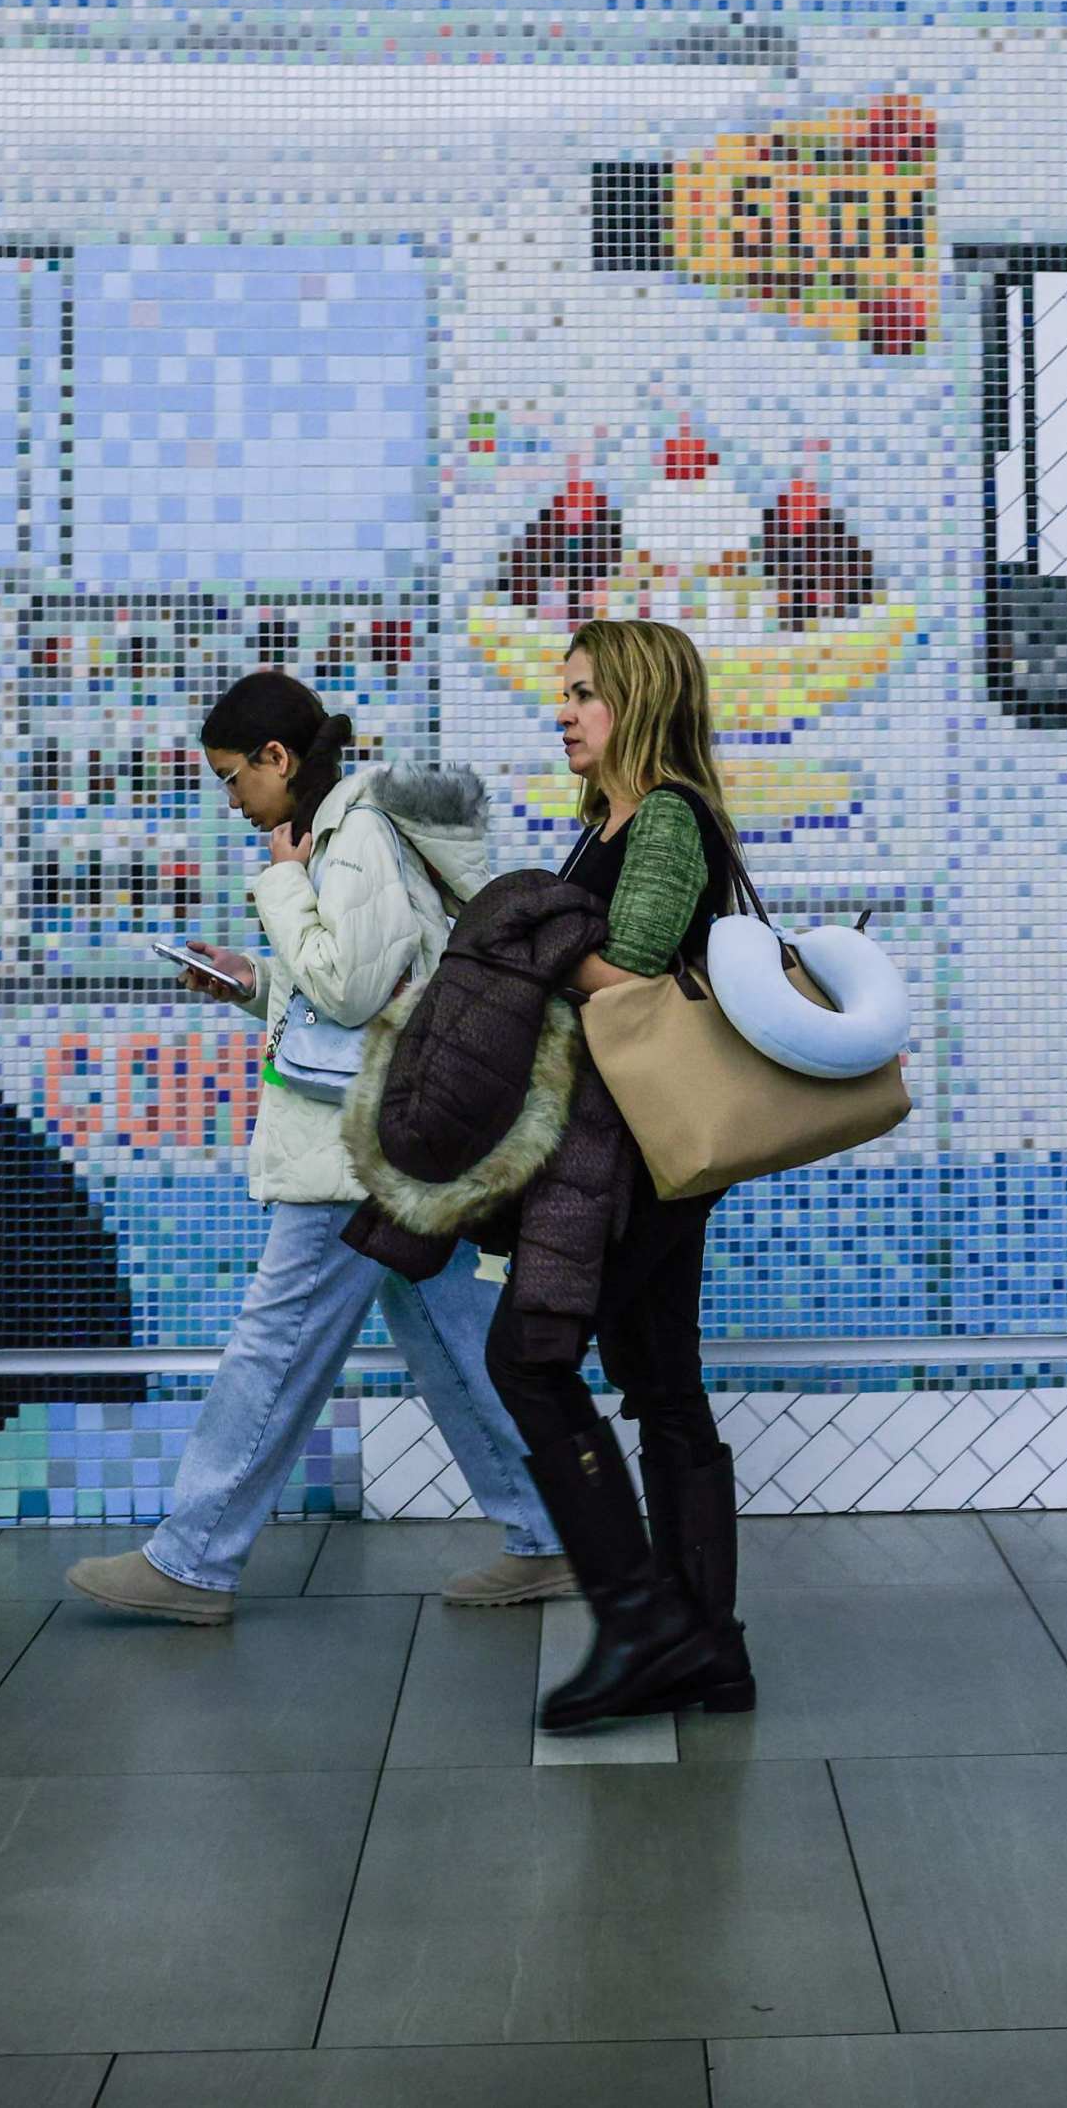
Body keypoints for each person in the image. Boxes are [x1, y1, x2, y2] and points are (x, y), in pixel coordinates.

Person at [66, 672, 570, 1624]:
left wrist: (280, 880)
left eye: (232, 776)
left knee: (274, 1342)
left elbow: (345, 987)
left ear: (277, 758)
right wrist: (254, 980)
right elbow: (348, 991)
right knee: (455, 1345)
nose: (231, 799)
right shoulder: (340, 831)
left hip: (357, 1146)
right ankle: (559, 1532)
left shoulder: (354, 835)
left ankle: (192, 1555)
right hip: (390, 1135)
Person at [489, 617, 757, 1729]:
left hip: (640, 1153)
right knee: (661, 1382)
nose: (566, 710)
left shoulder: (667, 820)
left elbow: (632, 975)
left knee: (527, 1353)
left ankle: (644, 1620)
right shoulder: (608, 820)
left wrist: (528, 940)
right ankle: (708, 1649)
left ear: (639, 701)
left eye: (586, 692)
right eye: (564, 693)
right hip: (636, 1147)